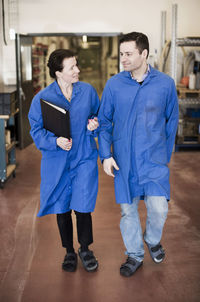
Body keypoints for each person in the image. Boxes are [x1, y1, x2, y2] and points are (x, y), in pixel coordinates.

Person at [98, 32, 179, 277]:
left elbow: (171, 120)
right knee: (128, 211)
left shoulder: (165, 84)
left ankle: (152, 239)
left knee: (159, 209)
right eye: (121, 53)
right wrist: (106, 155)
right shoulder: (114, 84)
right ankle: (134, 255)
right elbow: (104, 122)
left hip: (154, 161)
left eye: (128, 54)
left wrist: (163, 156)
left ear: (144, 54)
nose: (123, 58)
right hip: (124, 161)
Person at [28, 49, 100, 273]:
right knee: (62, 208)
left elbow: (98, 114)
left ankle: (85, 249)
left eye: (76, 65)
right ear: (58, 73)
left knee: (83, 206)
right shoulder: (42, 99)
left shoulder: (87, 92)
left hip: (83, 158)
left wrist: (93, 124)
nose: (78, 70)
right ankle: (69, 250)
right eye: (72, 67)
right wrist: (54, 141)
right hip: (57, 163)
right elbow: (36, 130)